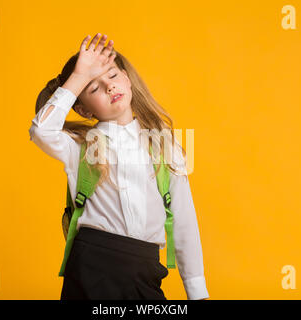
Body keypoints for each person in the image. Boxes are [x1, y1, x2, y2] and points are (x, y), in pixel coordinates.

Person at [29, 33, 209, 300]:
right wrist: (78, 77)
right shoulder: (80, 147)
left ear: (127, 78)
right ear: (83, 109)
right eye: (94, 88)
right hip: (91, 270)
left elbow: (184, 222)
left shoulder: (163, 146)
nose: (109, 87)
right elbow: (41, 131)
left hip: (145, 270)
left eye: (112, 76)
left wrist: (197, 293)